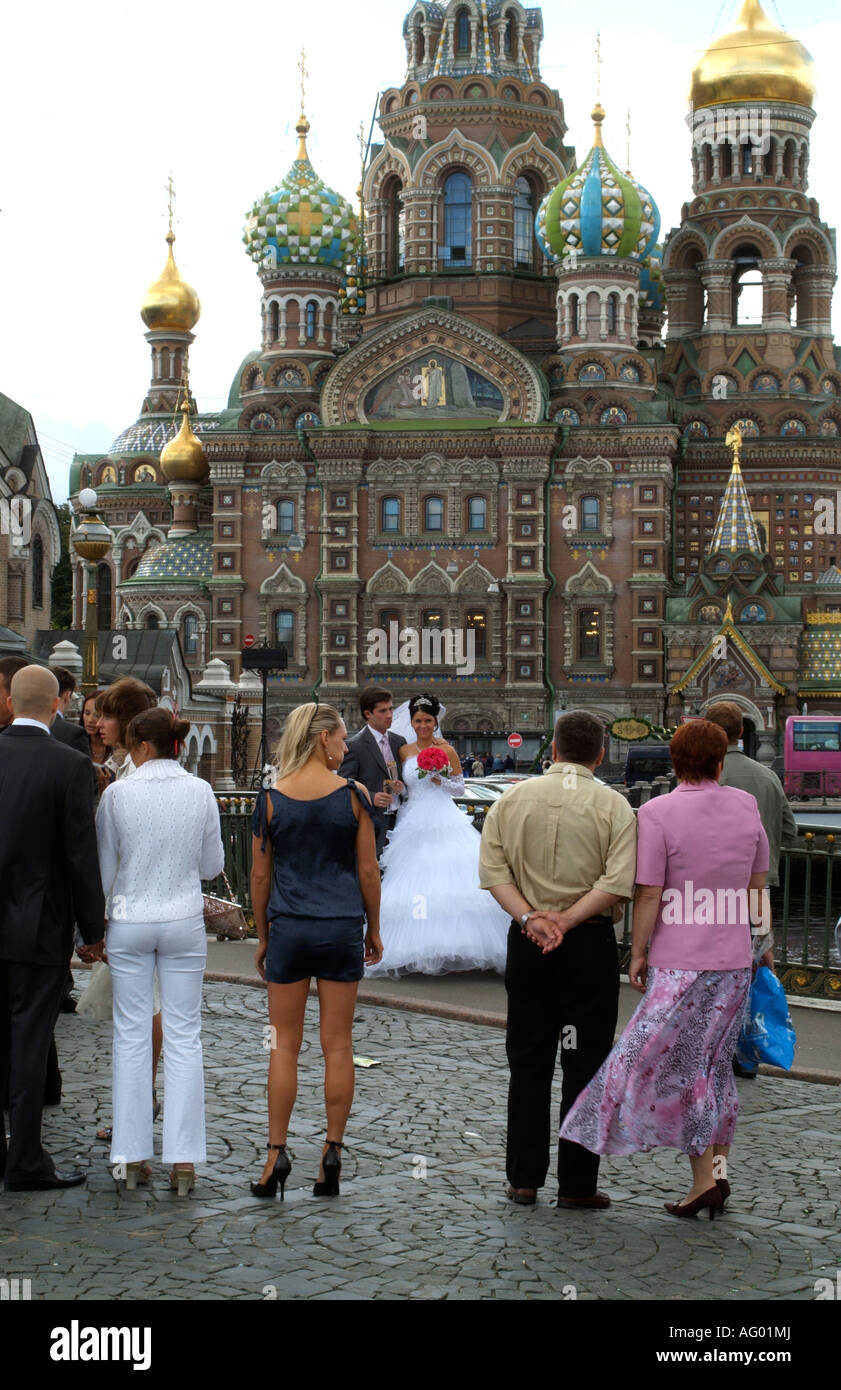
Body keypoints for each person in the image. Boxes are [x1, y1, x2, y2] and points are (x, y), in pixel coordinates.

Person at [560, 720, 769, 1221]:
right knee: (714, 1069)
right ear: (720, 763)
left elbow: (649, 891)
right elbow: (757, 885)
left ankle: (703, 1182)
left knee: (676, 1066)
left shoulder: (656, 811)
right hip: (734, 959)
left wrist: (637, 952)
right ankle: (717, 1176)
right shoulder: (745, 806)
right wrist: (762, 944)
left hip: (681, 962)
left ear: (674, 763)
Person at [479, 710, 637, 1209]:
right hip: (586, 946)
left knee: (527, 1061)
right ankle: (577, 1185)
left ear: (551, 750)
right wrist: (566, 921)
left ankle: (524, 1179)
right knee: (584, 1064)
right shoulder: (615, 806)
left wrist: (531, 919)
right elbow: (617, 883)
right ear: (601, 753)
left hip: (528, 946)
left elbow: (493, 873)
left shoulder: (509, 800)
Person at [250, 703, 382, 1200]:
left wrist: (262, 935)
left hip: (289, 929)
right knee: (338, 1045)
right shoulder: (353, 796)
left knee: (284, 1043)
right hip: (340, 927)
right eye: (343, 738)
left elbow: (259, 877)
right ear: (323, 737)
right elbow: (368, 871)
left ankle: (274, 1155)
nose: (346, 747)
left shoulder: (270, 798)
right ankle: (332, 1154)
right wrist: (375, 927)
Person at [96, 707, 224, 1195]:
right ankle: (185, 1161)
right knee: (184, 1035)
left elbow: (104, 870)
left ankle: (129, 1157)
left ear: (142, 747)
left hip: (129, 918)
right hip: (182, 919)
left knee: (131, 1036)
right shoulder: (202, 790)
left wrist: (97, 924)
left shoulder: (118, 795)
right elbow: (212, 864)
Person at [0, 666, 105, 1191]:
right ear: (55, 706)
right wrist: (93, 930)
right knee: (30, 1042)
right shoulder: (69, 766)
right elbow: (80, 856)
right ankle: (23, 1159)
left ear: (11, 700)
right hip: (39, 928)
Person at [367, 694, 512, 978]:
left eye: (428, 721)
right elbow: (407, 788)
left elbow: (459, 788)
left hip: (443, 815)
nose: (423, 726)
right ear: (411, 722)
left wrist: (440, 779)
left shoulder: (447, 750)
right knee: (413, 876)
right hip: (413, 818)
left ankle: (458, 947)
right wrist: (397, 787)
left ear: (435, 722)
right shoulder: (405, 751)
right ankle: (414, 948)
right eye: (418, 721)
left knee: (451, 877)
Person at [91, 677, 162, 1142]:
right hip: (148, 910)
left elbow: (109, 856)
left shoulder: (132, 779)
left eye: (107, 715)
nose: (97, 724)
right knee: (141, 1009)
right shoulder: (124, 770)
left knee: (142, 1011)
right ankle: (141, 1101)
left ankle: (139, 1104)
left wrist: (97, 916)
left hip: (135, 911)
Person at [705, 702, 793, 1078]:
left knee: (716, 971)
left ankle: (715, 1049)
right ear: (743, 732)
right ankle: (748, 1052)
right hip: (761, 890)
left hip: (714, 892)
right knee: (754, 966)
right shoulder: (768, 776)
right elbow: (788, 829)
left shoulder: (709, 777)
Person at [339, 686, 406, 857]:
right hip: (373, 823)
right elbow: (344, 784)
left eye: (391, 708)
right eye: (383, 711)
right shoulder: (355, 745)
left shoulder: (399, 741)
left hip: (401, 821)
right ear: (368, 714)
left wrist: (402, 788)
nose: (389, 715)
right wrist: (371, 796)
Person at [81, 689, 114, 804]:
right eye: (87, 713)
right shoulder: (76, 745)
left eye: (97, 715)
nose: (90, 720)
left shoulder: (117, 752)